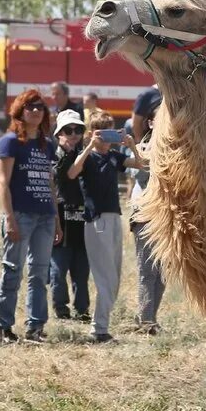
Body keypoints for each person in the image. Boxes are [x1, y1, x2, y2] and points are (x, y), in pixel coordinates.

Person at [69, 111, 147, 343]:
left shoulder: (114, 156)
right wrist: (88, 147)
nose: (105, 136)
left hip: (114, 217)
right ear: (92, 133)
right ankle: (98, 328)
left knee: (115, 275)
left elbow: (141, 165)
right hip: (96, 219)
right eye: (101, 130)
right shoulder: (88, 157)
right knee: (106, 278)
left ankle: (101, 325)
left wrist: (132, 145)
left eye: (109, 130)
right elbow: (73, 172)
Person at [0, 90, 59, 343]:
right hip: (20, 214)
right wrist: (8, 217)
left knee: (40, 274)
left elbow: (51, 184)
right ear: (20, 110)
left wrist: (56, 219)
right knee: (12, 270)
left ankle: (35, 327)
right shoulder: (10, 141)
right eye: (30, 106)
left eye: (40, 107)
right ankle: (4, 327)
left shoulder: (48, 144)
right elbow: (2, 182)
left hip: (44, 215)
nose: (36, 110)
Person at [50, 110, 92, 322]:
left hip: (82, 222)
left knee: (82, 272)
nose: (74, 134)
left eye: (79, 129)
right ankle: (61, 310)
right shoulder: (52, 155)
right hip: (61, 221)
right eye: (69, 129)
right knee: (58, 271)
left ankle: (83, 311)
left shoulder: (86, 155)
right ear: (59, 133)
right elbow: (61, 177)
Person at [128, 100, 165, 332]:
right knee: (146, 270)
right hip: (144, 215)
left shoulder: (172, 146)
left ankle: (150, 317)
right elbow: (140, 172)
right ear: (150, 122)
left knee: (161, 273)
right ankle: (146, 321)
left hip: (164, 216)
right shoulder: (141, 147)